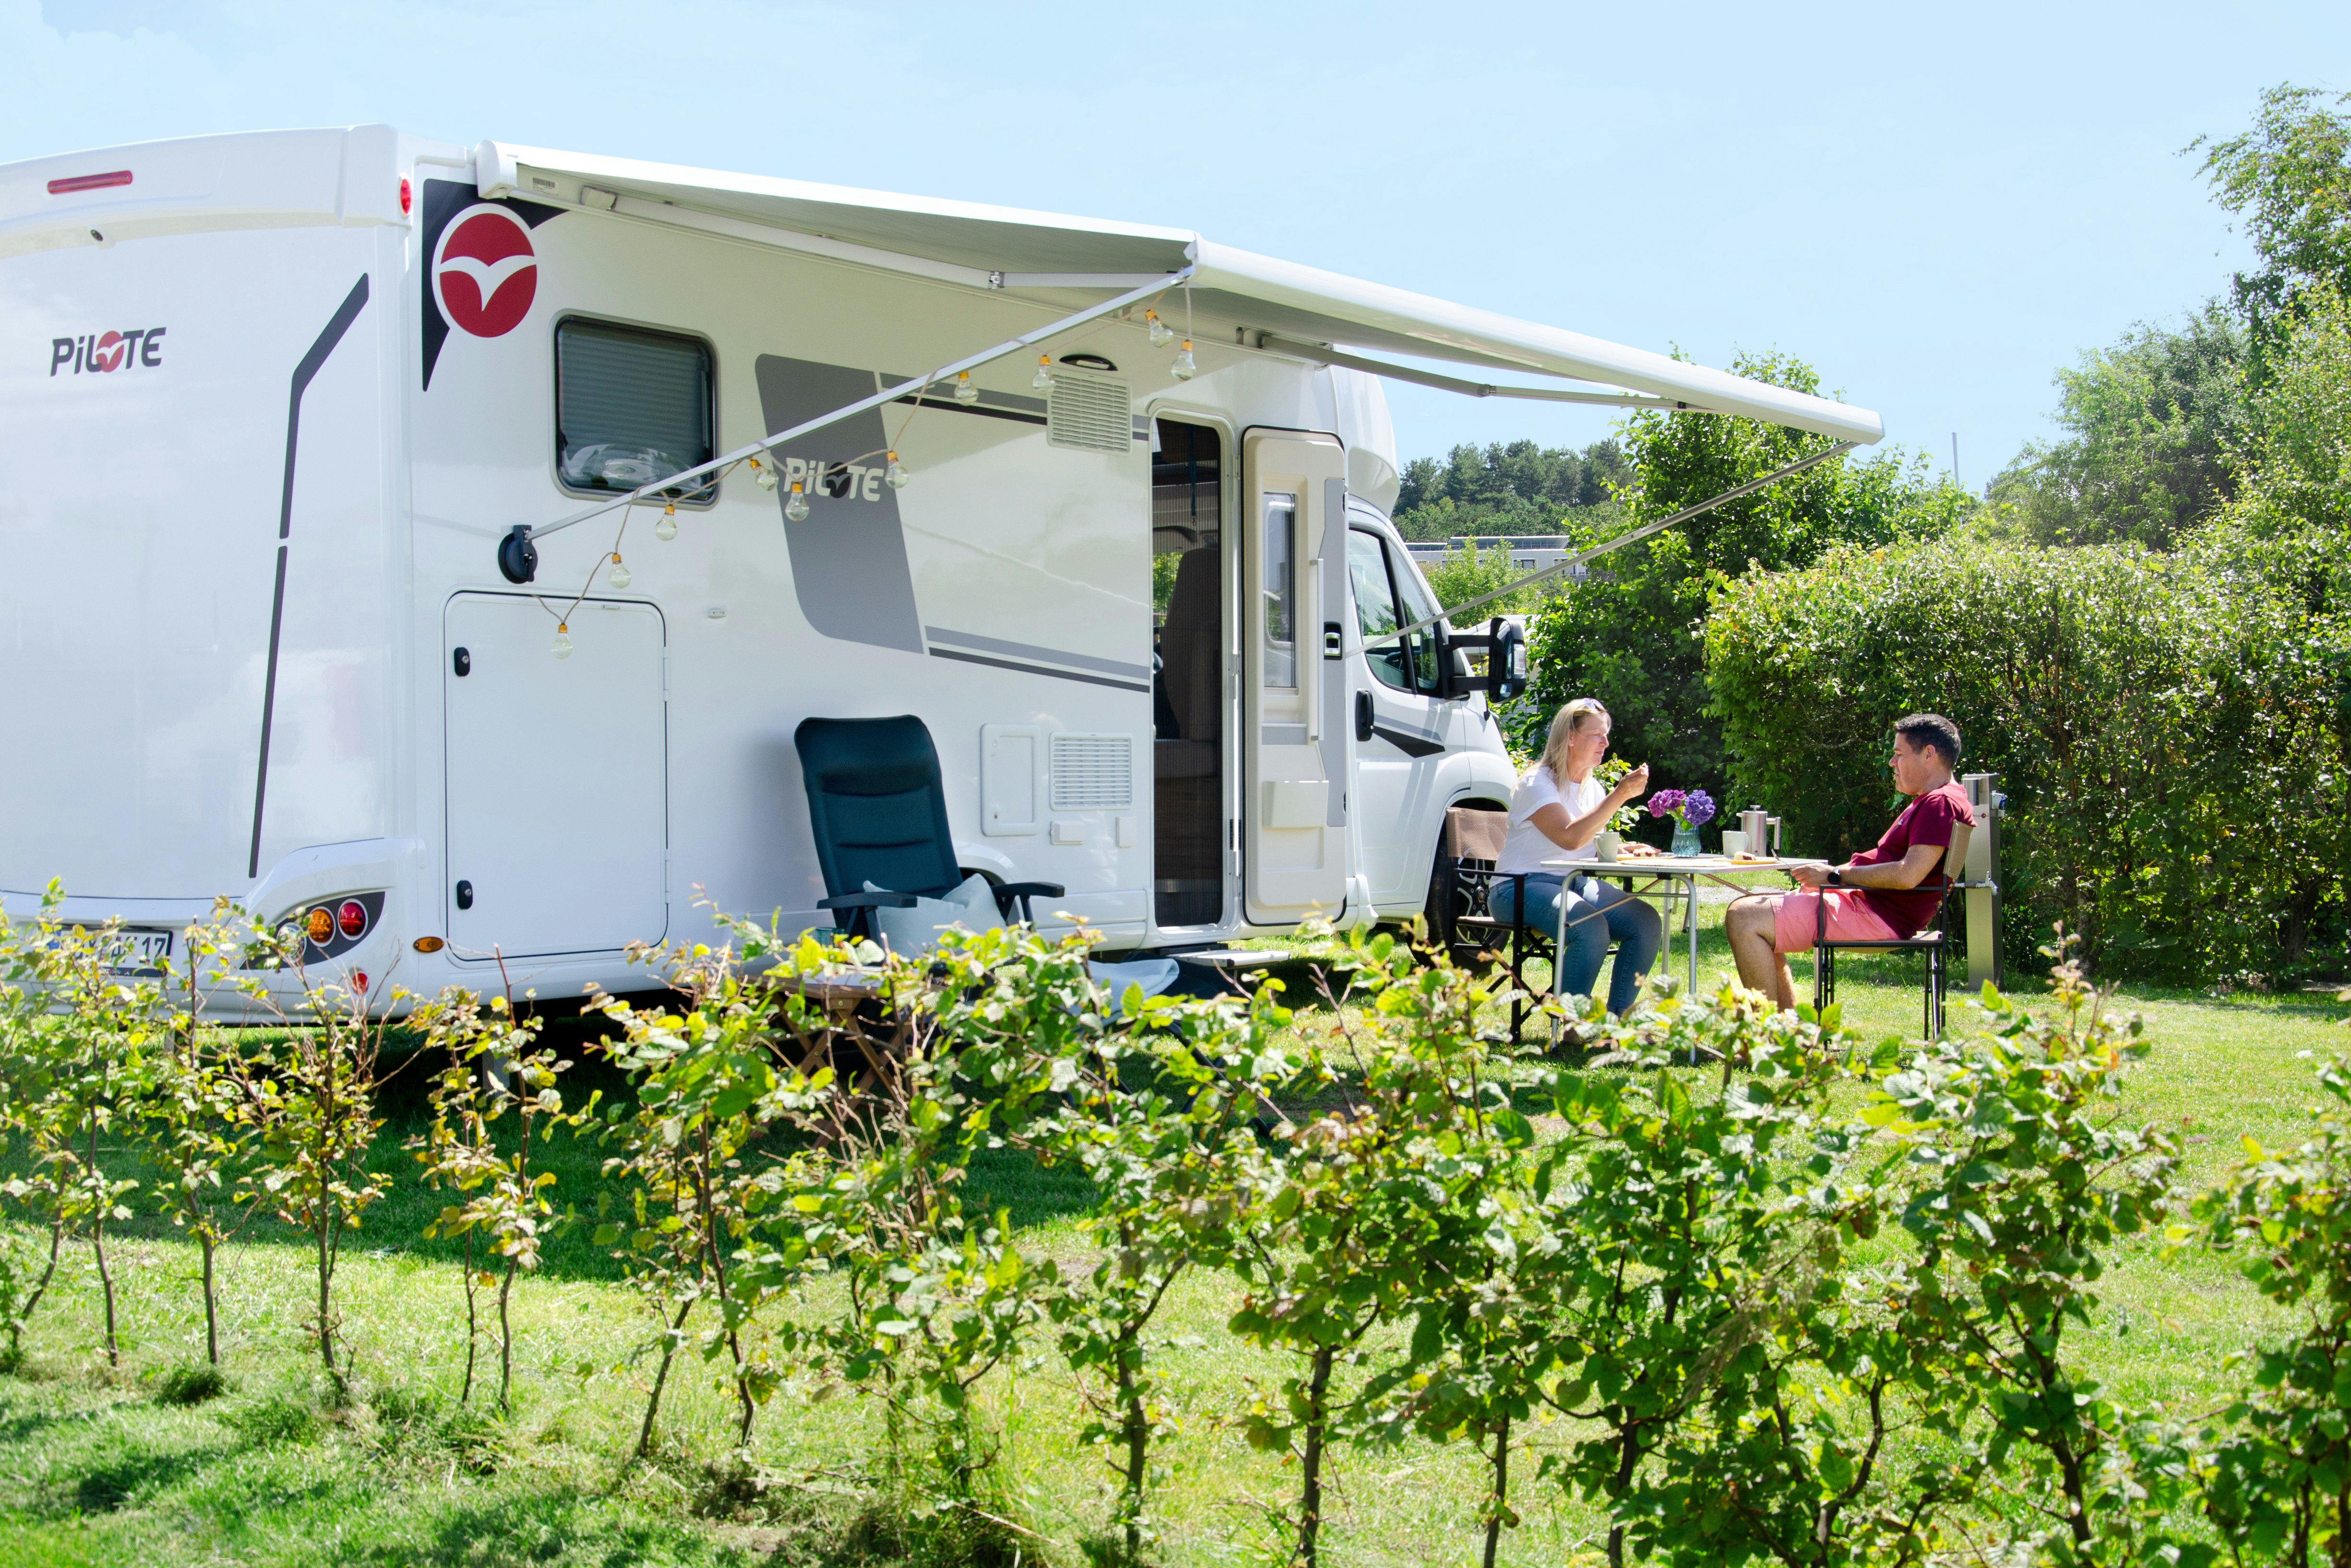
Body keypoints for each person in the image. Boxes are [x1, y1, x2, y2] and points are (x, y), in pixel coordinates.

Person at [1725, 712, 1977, 1010]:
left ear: (1929, 754)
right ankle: (1786, 1034)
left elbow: (1909, 875)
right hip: (1873, 907)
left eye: (1898, 754)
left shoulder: (1940, 803)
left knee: (1744, 917)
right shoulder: (1945, 798)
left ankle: (1763, 1038)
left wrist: (1834, 877)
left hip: (1878, 916)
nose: (1892, 763)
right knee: (1756, 913)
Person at [1490, 698, 1663, 1017]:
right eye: (1597, 735)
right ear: (1571, 737)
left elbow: (1587, 842)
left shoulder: (1592, 788)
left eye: (1607, 734)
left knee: (1646, 921)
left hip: (1574, 884)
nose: (1606, 743)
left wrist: (1620, 848)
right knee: (1590, 926)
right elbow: (1569, 837)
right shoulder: (1537, 783)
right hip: (1518, 886)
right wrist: (1620, 795)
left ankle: (1619, 1019)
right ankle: (1570, 1023)